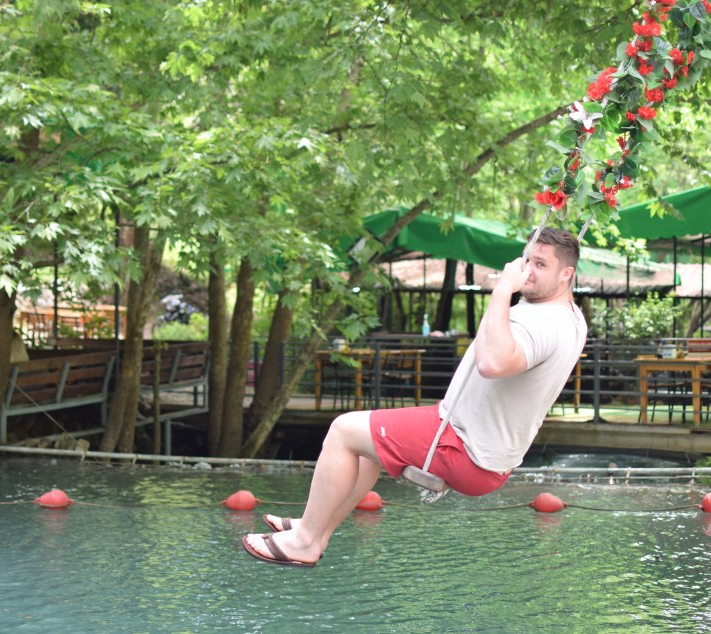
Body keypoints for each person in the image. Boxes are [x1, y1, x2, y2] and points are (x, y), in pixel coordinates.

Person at [242, 227, 588, 567]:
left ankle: (303, 543)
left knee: (343, 430)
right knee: (365, 450)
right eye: (526, 260)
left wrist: (501, 290)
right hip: (481, 449)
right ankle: (314, 531)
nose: (527, 270)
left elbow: (492, 362)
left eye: (540, 265)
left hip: (463, 448)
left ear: (566, 274)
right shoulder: (572, 318)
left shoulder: (542, 323)